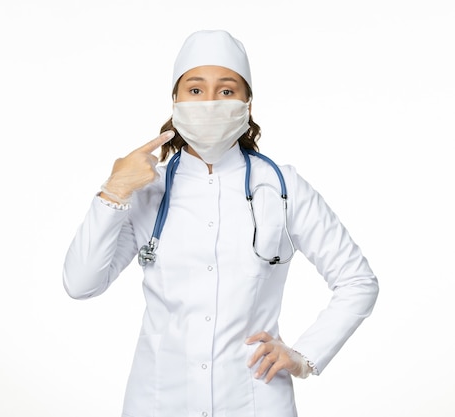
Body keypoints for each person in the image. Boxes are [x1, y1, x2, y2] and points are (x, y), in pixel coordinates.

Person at [62, 29, 379, 417]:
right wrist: (113, 192)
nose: (210, 102)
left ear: (247, 104)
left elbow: (357, 281)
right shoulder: (148, 191)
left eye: (226, 91)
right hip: (159, 400)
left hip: (255, 400)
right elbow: (80, 284)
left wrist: (305, 356)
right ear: (175, 101)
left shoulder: (281, 187)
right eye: (195, 90)